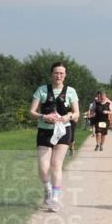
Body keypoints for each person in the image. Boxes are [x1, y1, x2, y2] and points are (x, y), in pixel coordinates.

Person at [28, 62, 80, 212]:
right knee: (43, 167)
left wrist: (68, 116)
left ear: (65, 75)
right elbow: (31, 112)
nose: (58, 76)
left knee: (56, 165)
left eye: (61, 73)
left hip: (63, 132)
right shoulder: (42, 90)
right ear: (51, 74)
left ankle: (55, 198)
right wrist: (43, 116)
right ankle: (48, 189)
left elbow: (76, 113)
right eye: (56, 73)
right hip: (45, 131)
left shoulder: (71, 91)